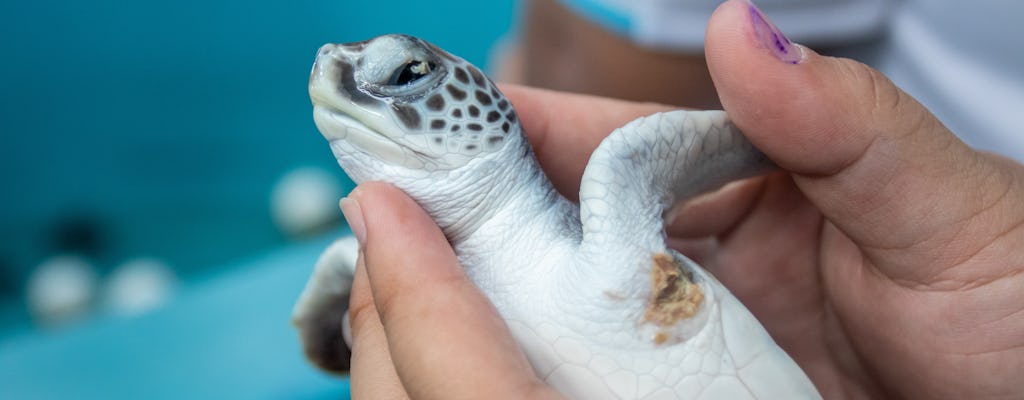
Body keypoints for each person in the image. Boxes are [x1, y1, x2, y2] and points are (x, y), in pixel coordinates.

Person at [338, 1, 1024, 398]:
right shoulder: (454, 270)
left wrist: (786, 142)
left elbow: (634, 154)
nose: (336, 78)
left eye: (405, 76)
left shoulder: (612, 215)